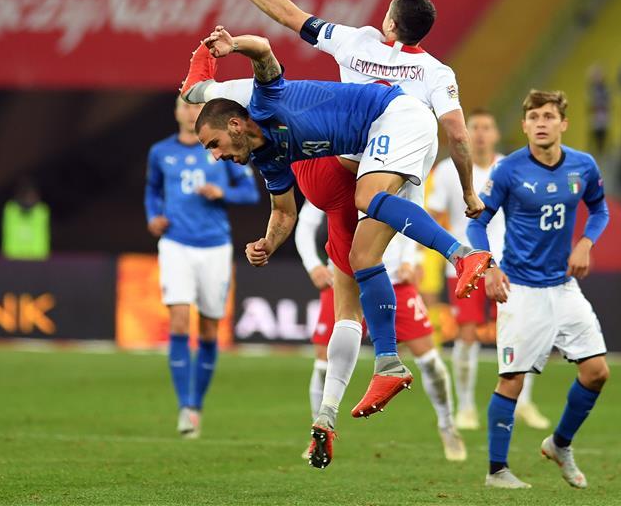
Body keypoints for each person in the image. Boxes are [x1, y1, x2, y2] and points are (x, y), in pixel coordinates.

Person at [191, 28, 491, 426]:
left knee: (367, 206)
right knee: (356, 276)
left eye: (213, 146)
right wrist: (266, 243)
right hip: (347, 193)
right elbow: (284, 213)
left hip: (392, 126)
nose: (215, 157)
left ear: (233, 124)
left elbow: (259, 49)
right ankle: (346, 400)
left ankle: (463, 255)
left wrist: (225, 41)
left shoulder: (264, 100)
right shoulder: (270, 160)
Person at [468, 90, 610, 490]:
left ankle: (559, 444)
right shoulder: (509, 170)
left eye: (549, 116)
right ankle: (497, 470)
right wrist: (488, 266)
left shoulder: (583, 166)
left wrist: (585, 242)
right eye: (534, 117)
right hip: (522, 289)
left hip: (563, 289)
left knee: (597, 372)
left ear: (563, 123)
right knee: (512, 380)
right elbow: (477, 223)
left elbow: (600, 208)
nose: (542, 122)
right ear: (525, 125)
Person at [296, 200, 466, 463]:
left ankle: (447, 425)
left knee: (430, 360)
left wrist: (411, 259)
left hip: (395, 279)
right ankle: (318, 431)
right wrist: (312, 265)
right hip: (344, 279)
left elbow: (411, 210)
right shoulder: (334, 166)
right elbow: (306, 225)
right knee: (322, 363)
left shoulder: (386, 170)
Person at [144, 96, 260, 438]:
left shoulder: (219, 147)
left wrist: (221, 191)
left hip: (214, 246)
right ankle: (185, 408)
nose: (189, 110)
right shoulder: (160, 152)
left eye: (195, 105)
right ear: (176, 111)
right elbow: (152, 191)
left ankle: (196, 403)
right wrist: (153, 217)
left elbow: (249, 192)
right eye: (184, 105)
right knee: (179, 318)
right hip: (176, 244)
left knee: (209, 328)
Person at [427, 109, 550, 431]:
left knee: (519, 334)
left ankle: (523, 403)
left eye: (487, 127)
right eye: (475, 127)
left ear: (496, 134)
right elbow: (434, 216)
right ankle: (466, 407)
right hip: (466, 264)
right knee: (466, 335)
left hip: (507, 264)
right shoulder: (444, 170)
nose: (480, 133)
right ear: (465, 132)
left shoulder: (510, 169)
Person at [2, 178, 50, 260]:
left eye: (31, 196)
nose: (28, 199)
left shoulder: (41, 212)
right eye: (26, 196)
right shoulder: (11, 210)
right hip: (14, 258)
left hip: (37, 259)